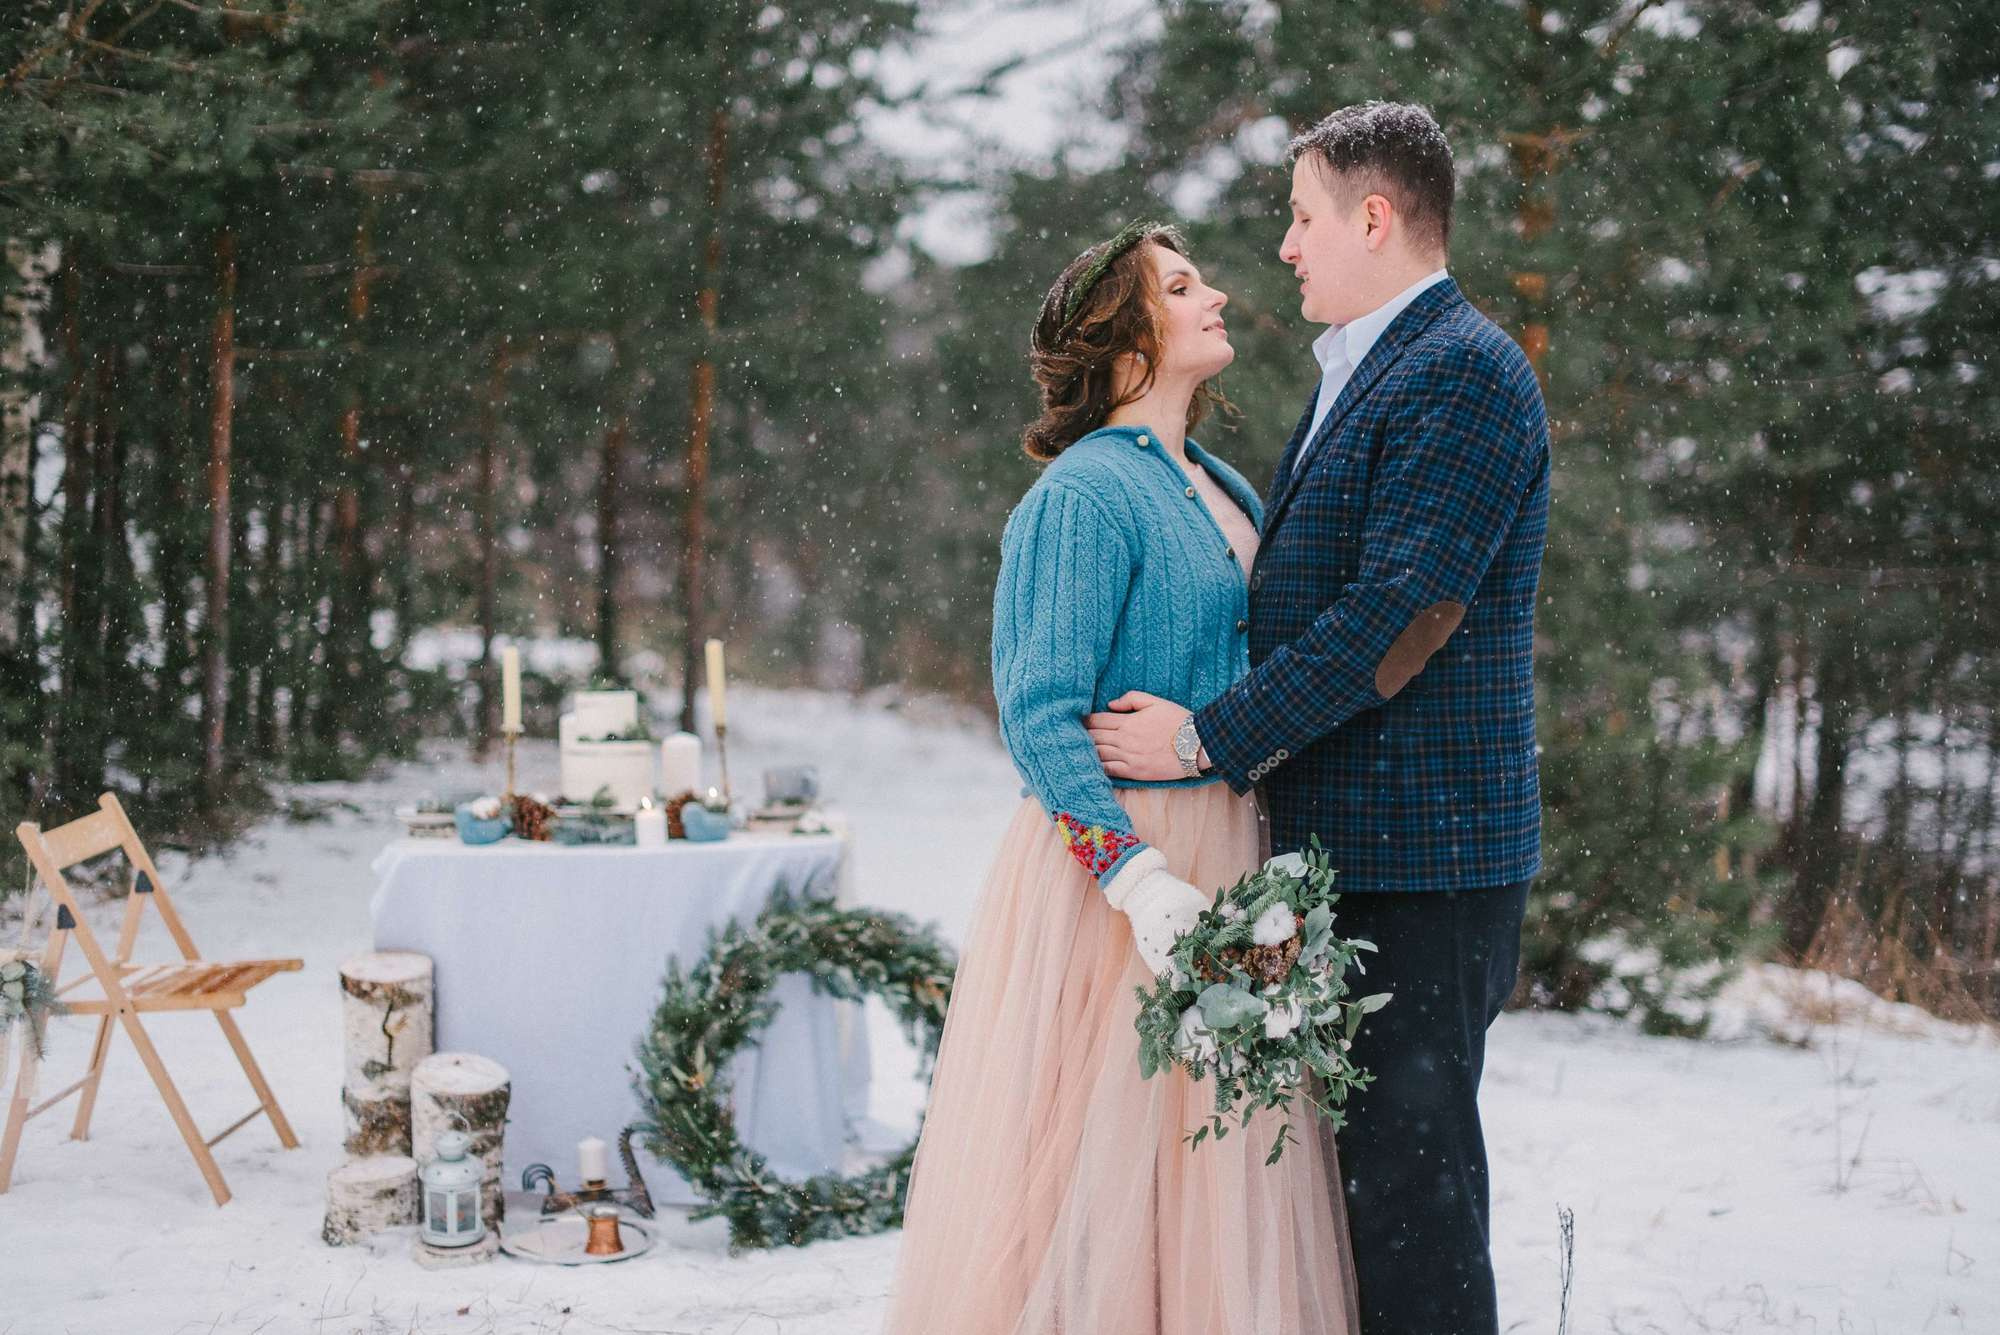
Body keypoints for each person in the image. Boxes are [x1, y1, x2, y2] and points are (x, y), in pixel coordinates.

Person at [1084, 101, 1552, 1335]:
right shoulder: (1369, 362)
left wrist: (1205, 739)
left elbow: (1399, 613)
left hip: (1425, 864)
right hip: (1355, 854)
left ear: (1375, 216)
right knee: (1359, 1198)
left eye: (1301, 217)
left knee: (1410, 1199)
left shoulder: (1459, 369)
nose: (1284, 248)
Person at [881, 222, 1361, 1335]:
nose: (1220, 297)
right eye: (1183, 287)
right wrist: (1135, 878)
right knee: (1099, 1180)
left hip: (1231, 858)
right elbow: (1039, 713)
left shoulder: (1215, 479)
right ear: (1124, 343)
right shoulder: (1084, 496)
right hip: (1118, 882)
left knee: (1210, 1170)